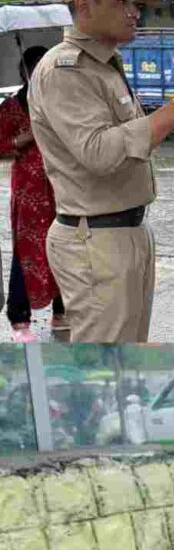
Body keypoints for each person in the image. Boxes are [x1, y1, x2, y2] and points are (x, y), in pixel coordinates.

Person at [28, 0, 174, 343]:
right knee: (106, 362)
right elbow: (99, 152)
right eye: (121, 1)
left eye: (136, 3)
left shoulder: (105, 68)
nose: (133, 11)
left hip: (124, 233)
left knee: (129, 352)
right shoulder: (65, 70)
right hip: (96, 241)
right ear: (83, 4)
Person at [0, 47, 65, 343]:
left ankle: (63, 311)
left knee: (65, 247)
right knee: (26, 250)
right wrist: (23, 138)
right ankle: (19, 318)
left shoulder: (61, 103)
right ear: (25, 72)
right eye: (34, 68)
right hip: (29, 191)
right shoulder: (12, 107)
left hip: (62, 186)